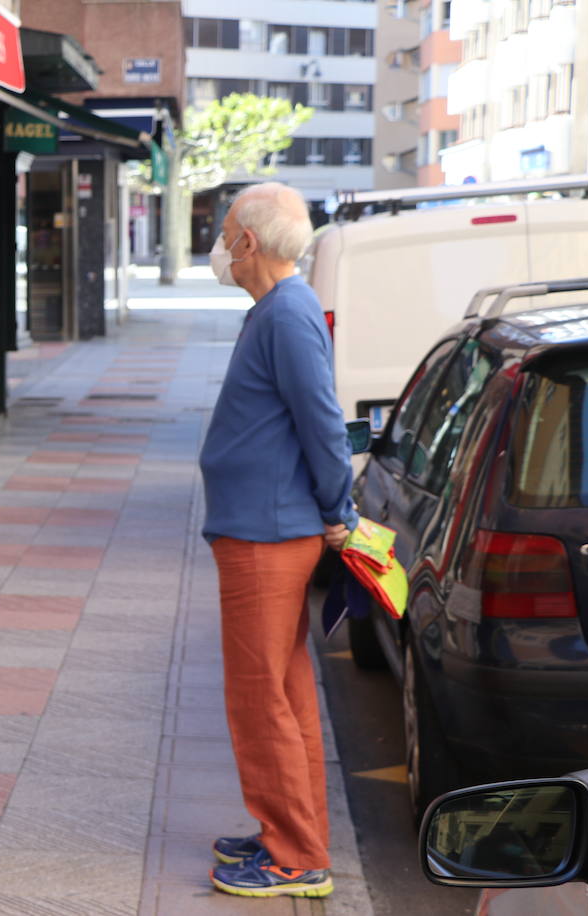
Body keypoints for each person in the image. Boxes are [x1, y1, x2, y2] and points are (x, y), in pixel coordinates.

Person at [198, 183, 359, 899]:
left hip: (267, 534)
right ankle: (291, 835)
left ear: (249, 242)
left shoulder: (287, 312)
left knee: (260, 696)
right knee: (283, 693)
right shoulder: (281, 309)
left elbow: (322, 421)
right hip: (263, 527)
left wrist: (338, 507)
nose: (220, 243)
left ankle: (295, 856)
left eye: (226, 230)